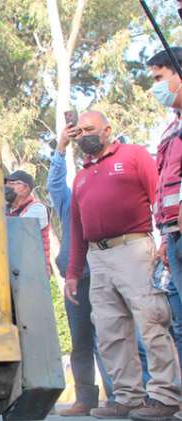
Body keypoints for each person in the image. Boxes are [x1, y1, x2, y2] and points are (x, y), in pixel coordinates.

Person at [65, 111, 180, 419]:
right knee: (109, 330)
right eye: (81, 131)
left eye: (91, 129)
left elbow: (158, 194)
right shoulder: (81, 177)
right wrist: (73, 273)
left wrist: (165, 239)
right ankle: (127, 397)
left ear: (107, 130)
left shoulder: (133, 155)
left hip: (134, 248)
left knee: (151, 321)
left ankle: (165, 396)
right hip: (97, 257)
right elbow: (76, 228)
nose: (85, 134)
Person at [47, 132, 115, 415]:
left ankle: (119, 396)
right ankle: (85, 399)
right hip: (76, 278)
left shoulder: (108, 191)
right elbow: (54, 183)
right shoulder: (69, 199)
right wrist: (61, 148)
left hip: (104, 272)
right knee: (81, 341)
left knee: (114, 336)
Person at [147, 47, 182, 369]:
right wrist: (162, 238)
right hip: (171, 233)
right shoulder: (172, 127)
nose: (155, 87)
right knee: (179, 323)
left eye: (160, 78)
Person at [4, 170, 51, 274]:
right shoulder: (5, 210)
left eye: (12, 183)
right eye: (7, 184)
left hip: (34, 271)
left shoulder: (37, 208)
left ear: (26, 188)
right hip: (13, 270)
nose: (7, 187)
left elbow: (18, 231)